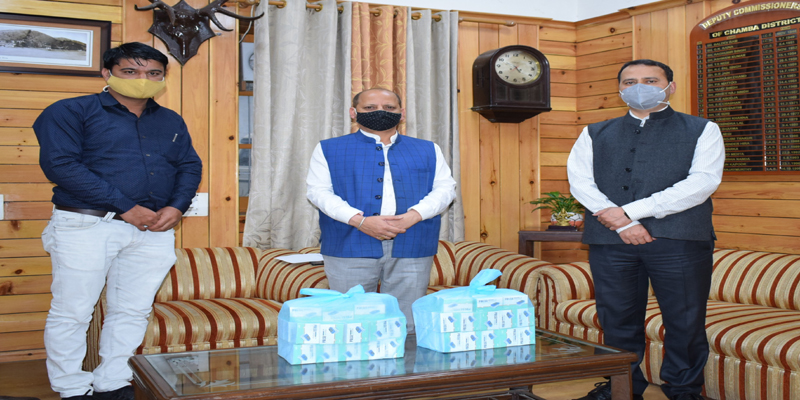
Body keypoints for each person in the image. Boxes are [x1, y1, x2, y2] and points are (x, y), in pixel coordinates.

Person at [34, 42, 202, 400]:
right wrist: (125, 206)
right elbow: (61, 166)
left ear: (163, 78)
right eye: (131, 71)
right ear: (107, 73)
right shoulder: (70, 111)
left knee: (133, 311)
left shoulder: (170, 120)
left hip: (153, 230)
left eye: (154, 73)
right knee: (73, 313)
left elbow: (189, 166)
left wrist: (177, 207)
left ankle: (113, 381)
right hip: (87, 225)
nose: (143, 79)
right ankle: (72, 388)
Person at [567, 59, 724, 400]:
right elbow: (580, 182)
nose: (639, 87)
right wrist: (622, 223)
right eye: (630, 81)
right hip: (611, 241)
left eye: (651, 80)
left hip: (680, 240)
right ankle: (622, 389)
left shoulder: (703, 129)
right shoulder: (594, 132)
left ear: (670, 87)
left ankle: (684, 390)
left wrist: (628, 213)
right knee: (617, 320)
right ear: (620, 89)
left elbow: (701, 184)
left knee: (684, 321)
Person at [306, 88, 457, 333]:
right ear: (353, 112)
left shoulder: (429, 149)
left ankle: (405, 360)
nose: (380, 112)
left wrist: (413, 216)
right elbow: (318, 192)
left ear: (402, 113)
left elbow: (445, 189)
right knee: (350, 323)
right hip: (349, 243)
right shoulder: (328, 148)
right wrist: (360, 221)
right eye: (370, 107)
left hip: (413, 242)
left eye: (389, 108)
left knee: (407, 324)